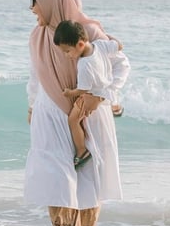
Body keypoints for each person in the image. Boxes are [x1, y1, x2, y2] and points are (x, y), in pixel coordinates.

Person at [24, 0, 129, 226]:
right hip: (50, 115)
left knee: (88, 183)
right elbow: (36, 77)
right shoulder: (38, 37)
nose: (32, 9)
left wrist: (103, 96)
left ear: (51, 1)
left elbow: (120, 65)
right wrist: (32, 105)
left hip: (90, 114)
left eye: (35, 3)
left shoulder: (89, 32)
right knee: (56, 181)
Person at [53, 20, 127, 169]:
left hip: (93, 94)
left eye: (67, 51)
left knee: (73, 120)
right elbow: (120, 45)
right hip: (105, 91)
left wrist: (69, 93)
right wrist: (107, 35)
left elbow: (82, 90)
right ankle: (115, 107)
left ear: (80, 45)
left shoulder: (84, 64)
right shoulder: (100, 45)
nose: (67, 56)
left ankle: (82, 151)